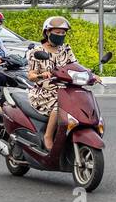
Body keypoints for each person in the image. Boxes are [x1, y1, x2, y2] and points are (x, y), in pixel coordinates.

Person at [27, 15, 100, 147]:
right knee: (58, 106)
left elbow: (75, 65)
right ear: (47, 32)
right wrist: (42, 75)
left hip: (66, 89)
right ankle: (48, 136)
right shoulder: (37, 52)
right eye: (57, 32)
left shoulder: (66, 49)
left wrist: (91, 75)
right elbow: (31, 75)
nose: (60, 35)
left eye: (63, 33)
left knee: (83, 100)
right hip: (45, 92)